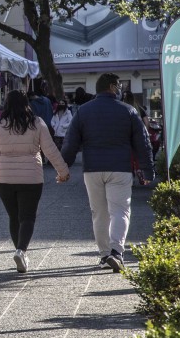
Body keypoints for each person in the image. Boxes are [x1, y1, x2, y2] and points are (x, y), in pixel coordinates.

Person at [61, 73, 154, 272]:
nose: (120, 89)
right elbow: (143, 143)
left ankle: (104, 255)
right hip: (120, 168)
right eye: (118, 85)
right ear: (112, 87)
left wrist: (63, 168)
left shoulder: (83, 111)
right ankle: (116, 252)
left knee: (99, 213)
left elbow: (70, 142)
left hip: (92, 169)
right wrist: (147, 170)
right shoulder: (128, 111)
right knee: (120, 210)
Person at [0, 91, 71, 273]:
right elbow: (51, 150)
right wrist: (63, 171)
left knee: (14, 217)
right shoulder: (37, 123)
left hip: (4, 177)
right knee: (28, 217)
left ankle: (19, 252)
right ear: (27, 103)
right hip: (31, 177)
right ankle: (21, 251)